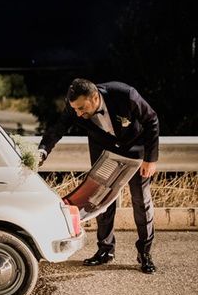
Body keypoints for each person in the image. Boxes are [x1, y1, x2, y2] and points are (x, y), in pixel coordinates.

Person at [38, 79, 158, 274]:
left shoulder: (125, 94)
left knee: (141, 201)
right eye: (75, 109)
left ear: (95, 97)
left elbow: (151, 120)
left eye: (81, 108)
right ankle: (105, 250)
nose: (78, 113)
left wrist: (151, 160)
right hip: (105, 154)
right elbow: (57, 129)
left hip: (137, 153)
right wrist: (42, 151)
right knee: (101, 201)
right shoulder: (75, 107)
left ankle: (145, 253)